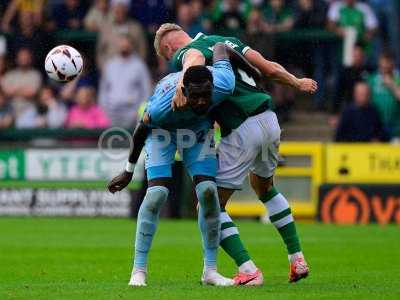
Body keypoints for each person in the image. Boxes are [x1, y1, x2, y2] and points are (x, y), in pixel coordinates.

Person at [152, 23, 317, 284]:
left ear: (169, 48)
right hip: (269, 119)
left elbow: (193, 60)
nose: (171, 61)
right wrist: (297, 82)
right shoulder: (226, 40)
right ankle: (297, 259)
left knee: (208, 205)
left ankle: (249, 270)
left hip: (241, 127)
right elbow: (270, 68)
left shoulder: (187, 51)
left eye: (168, 56)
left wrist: (182, 84)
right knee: (263, 187)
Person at [108, 43, 238, 286]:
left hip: (198, 131)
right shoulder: (161, 106)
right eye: (195, 96)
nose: (201, 102)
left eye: (205, 95)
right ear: (183, 91)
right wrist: (128, 171)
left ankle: (210, 271)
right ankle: (138, 271)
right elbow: (140, 130)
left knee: (209, 192)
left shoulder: (223, 84)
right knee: (156, 193)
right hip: (162, 132)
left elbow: (221, 47)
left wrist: (258, 69)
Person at [98, 34, 151, 128]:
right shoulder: (110, 65)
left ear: (131, 46)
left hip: (131, 113)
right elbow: (103, 90)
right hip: (111, 112)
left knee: (129, 141)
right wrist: (104, 110)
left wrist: (138, 113)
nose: (124, 47)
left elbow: (146, 91)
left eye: (126, 44)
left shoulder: (139, 65)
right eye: (122, 44)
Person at [96, 0, 147, 69]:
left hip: (132, 71)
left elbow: (142, 50)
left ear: (127, 9)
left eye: (123, 8)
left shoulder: (136, 27)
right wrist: (105, 69)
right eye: (117, 8)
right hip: (111, 72)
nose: (120, 11)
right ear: (113, 9)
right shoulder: (106, 28)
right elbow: (100, 52)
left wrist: (137, 69)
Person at [0, 47, 42, 123]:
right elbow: (5, 92)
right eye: (21, 58)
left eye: (26, 58)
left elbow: (31, 93)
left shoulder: (35, 74)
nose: (23, 60)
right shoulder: (10, 74)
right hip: (10, 109)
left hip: (28, 110)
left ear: (30, 59)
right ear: (17, 59)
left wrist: (13, 91)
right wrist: (22, 90)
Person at [368, 51, 400, 139]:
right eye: (381, 63)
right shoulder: (372, 78)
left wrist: (392, 85)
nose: (383, 66)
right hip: (377, 126)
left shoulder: (398, 78)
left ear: (392, 63)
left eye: (386, 63)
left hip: (396, 127)